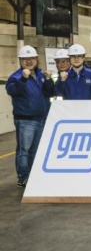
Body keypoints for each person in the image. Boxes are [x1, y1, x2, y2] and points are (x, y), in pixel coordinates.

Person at [6, 46, 54, 187]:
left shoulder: (40, 75)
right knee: (24, 151)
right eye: (25, 59)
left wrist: (48, 79)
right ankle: (23, 177)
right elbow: (12, 91)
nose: (28, 61)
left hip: (41, 119)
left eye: (31, 58)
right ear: (20, 61)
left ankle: (33, 175)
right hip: (25, 120)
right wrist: (23, 79)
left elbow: (49, 93)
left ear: (37, 59)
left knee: (35, 150)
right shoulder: (16, 77)